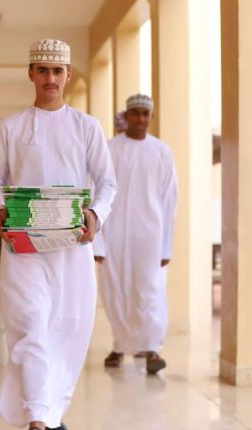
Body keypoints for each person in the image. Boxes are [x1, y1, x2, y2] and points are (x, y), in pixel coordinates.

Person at [0, 38, 117, 430]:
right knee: (30, 325)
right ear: (31, 73)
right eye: (42, 70)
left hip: (71, 249)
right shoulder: (10, 127)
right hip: (23, 248)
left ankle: (49, 410)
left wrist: (95, 214)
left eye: (57, 71)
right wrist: (0, 211)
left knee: (69, 327)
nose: (50, 78)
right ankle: (38, 418)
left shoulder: (86, 127)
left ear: (68, 75)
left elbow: (107, 182)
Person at [93, 93, 178, 374]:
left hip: (151, 236)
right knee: (116, 289)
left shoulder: (161, 151)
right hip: (114, 233)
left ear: (151, 117)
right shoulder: (110, 149)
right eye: (136, 113)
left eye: (145, 114)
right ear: (126, 116)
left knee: (150, 289)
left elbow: (169, 200)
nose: (141, 119)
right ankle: (120, 345)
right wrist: (97, 242)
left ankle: (151, 348)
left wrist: (166, 246)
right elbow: (96, 193)